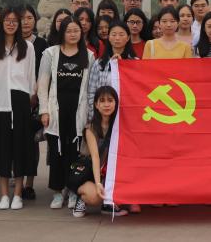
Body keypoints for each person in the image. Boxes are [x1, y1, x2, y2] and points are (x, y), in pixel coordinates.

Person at [38, 16, 95, 210]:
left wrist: (89, 116)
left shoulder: (89, 56)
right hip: (56, 111)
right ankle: (57, 191)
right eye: (68, 31)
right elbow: (43, 84)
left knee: (75, 154)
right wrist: (44, 111)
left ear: (82, 32)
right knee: (56, 152)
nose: (72, 34)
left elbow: (90, 88)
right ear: (61, 32)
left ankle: (73, 191)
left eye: (76, 31)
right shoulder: (50, 53)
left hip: (78, 113)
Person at [0, 7, 37, 211]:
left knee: (20, 148)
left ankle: (18, 194)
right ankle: (4, 194)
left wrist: (31, 98)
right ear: (1, 23)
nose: (11, 24)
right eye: (7, 20)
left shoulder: (28, 47)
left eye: (15, 20)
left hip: (20, 100)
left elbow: (31, 77)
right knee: (3, 149)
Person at [72, 86, 127, 217]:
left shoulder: (118, 126)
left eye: (110, 100)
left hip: (107, 173)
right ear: (96, 105)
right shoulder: (90, 128)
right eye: (102, 100)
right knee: (96, 196)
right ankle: (81, 196)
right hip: (88, 173)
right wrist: (98, 183)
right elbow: (95, 158)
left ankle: (107, 205)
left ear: (116, 103)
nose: (106, 104)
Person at [20, 5, 48, 201]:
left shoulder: (42, 44)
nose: (25, 21)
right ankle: (16, 180)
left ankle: (29, 183)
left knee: (32, 143)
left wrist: (37, 93)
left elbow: (44, 72)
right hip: (14, 98)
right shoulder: (9, 43)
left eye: (29, 17)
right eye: (22, 18)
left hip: (34, 100)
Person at [87, 20, 138, 116]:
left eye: (121, 34)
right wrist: (94, 116)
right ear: (108, 37)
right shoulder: (99, 63)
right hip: (103, 114)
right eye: (113, 34)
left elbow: (138, 90)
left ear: (128, 38)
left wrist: (122, 65)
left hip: (128, 113)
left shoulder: (136, 63)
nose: (117, 38)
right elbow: (91, 93)